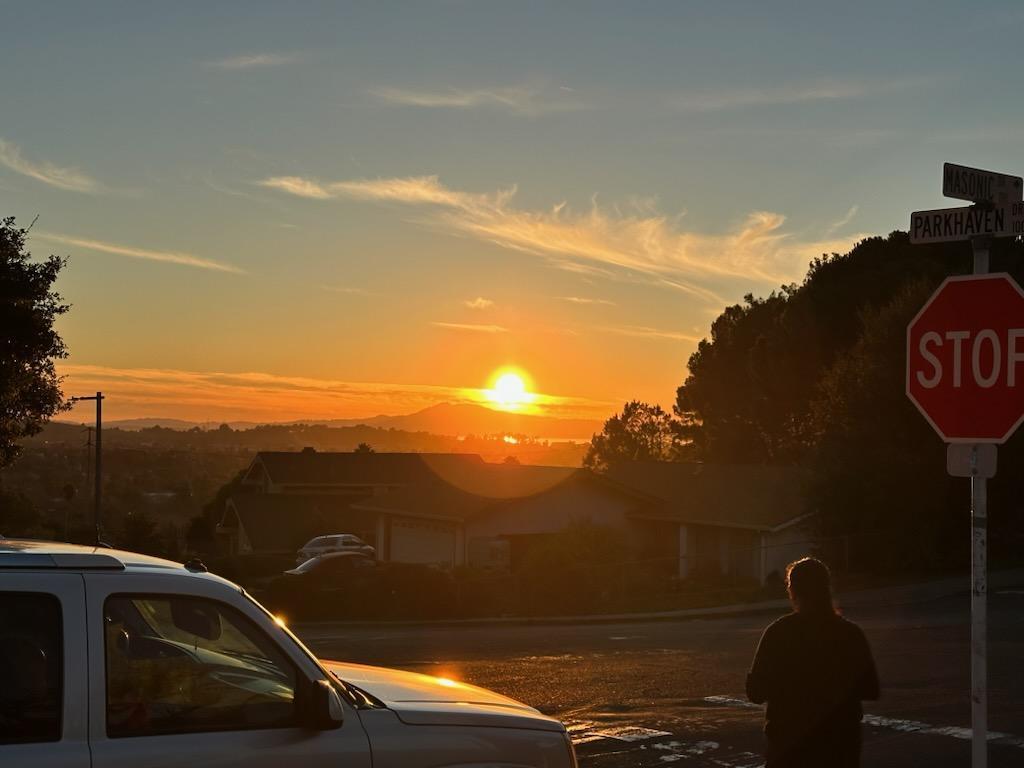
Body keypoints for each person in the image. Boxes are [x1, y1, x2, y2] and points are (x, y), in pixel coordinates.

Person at [746, 557, 880, 768]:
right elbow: (870, 688)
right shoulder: (850, 633)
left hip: (789, 744)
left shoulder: (778, 633)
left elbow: (755, 692)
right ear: (827, 588)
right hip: (840, 744)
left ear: (793, 591)